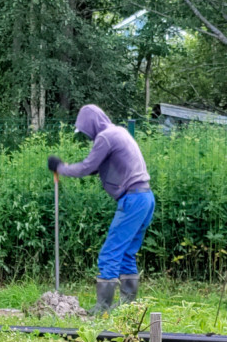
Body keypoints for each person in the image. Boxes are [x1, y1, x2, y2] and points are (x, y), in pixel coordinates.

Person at [48, 104, 155, 315]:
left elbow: (88, 166)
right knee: (126, 254)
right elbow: (96, 166)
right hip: (145, 198)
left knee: (110, 253)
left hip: (133, 200)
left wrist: (61, 168)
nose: (87, 136)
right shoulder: (119, 132)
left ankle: (102, 308)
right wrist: (68, 167)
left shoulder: (105, 137)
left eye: (85, 131)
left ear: (91, 124)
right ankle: (128, 307)